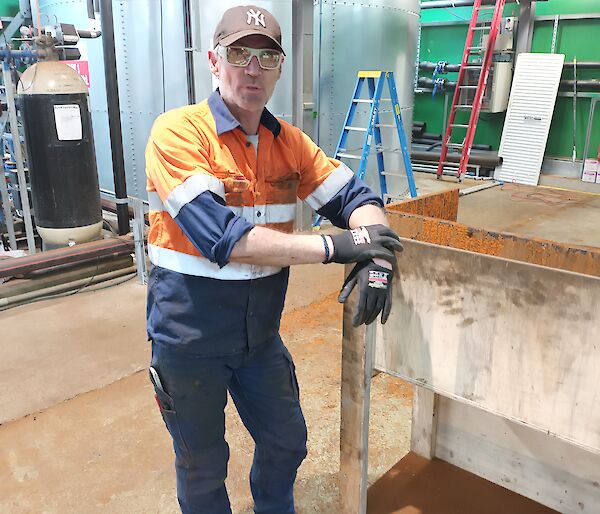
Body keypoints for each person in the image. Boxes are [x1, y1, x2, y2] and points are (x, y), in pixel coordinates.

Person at [144, 5, 402, 513]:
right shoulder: (178, 133)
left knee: (287, 442)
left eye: (267, 56)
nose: (253, 68)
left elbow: (356, 197)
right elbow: (224, 238)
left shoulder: (291, 144)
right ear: (214, 63)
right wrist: (335, 247)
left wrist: (379, 252)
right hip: (189, 340)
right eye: (240, 54)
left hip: (259, 338)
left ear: (280, 68)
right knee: (202, 466)